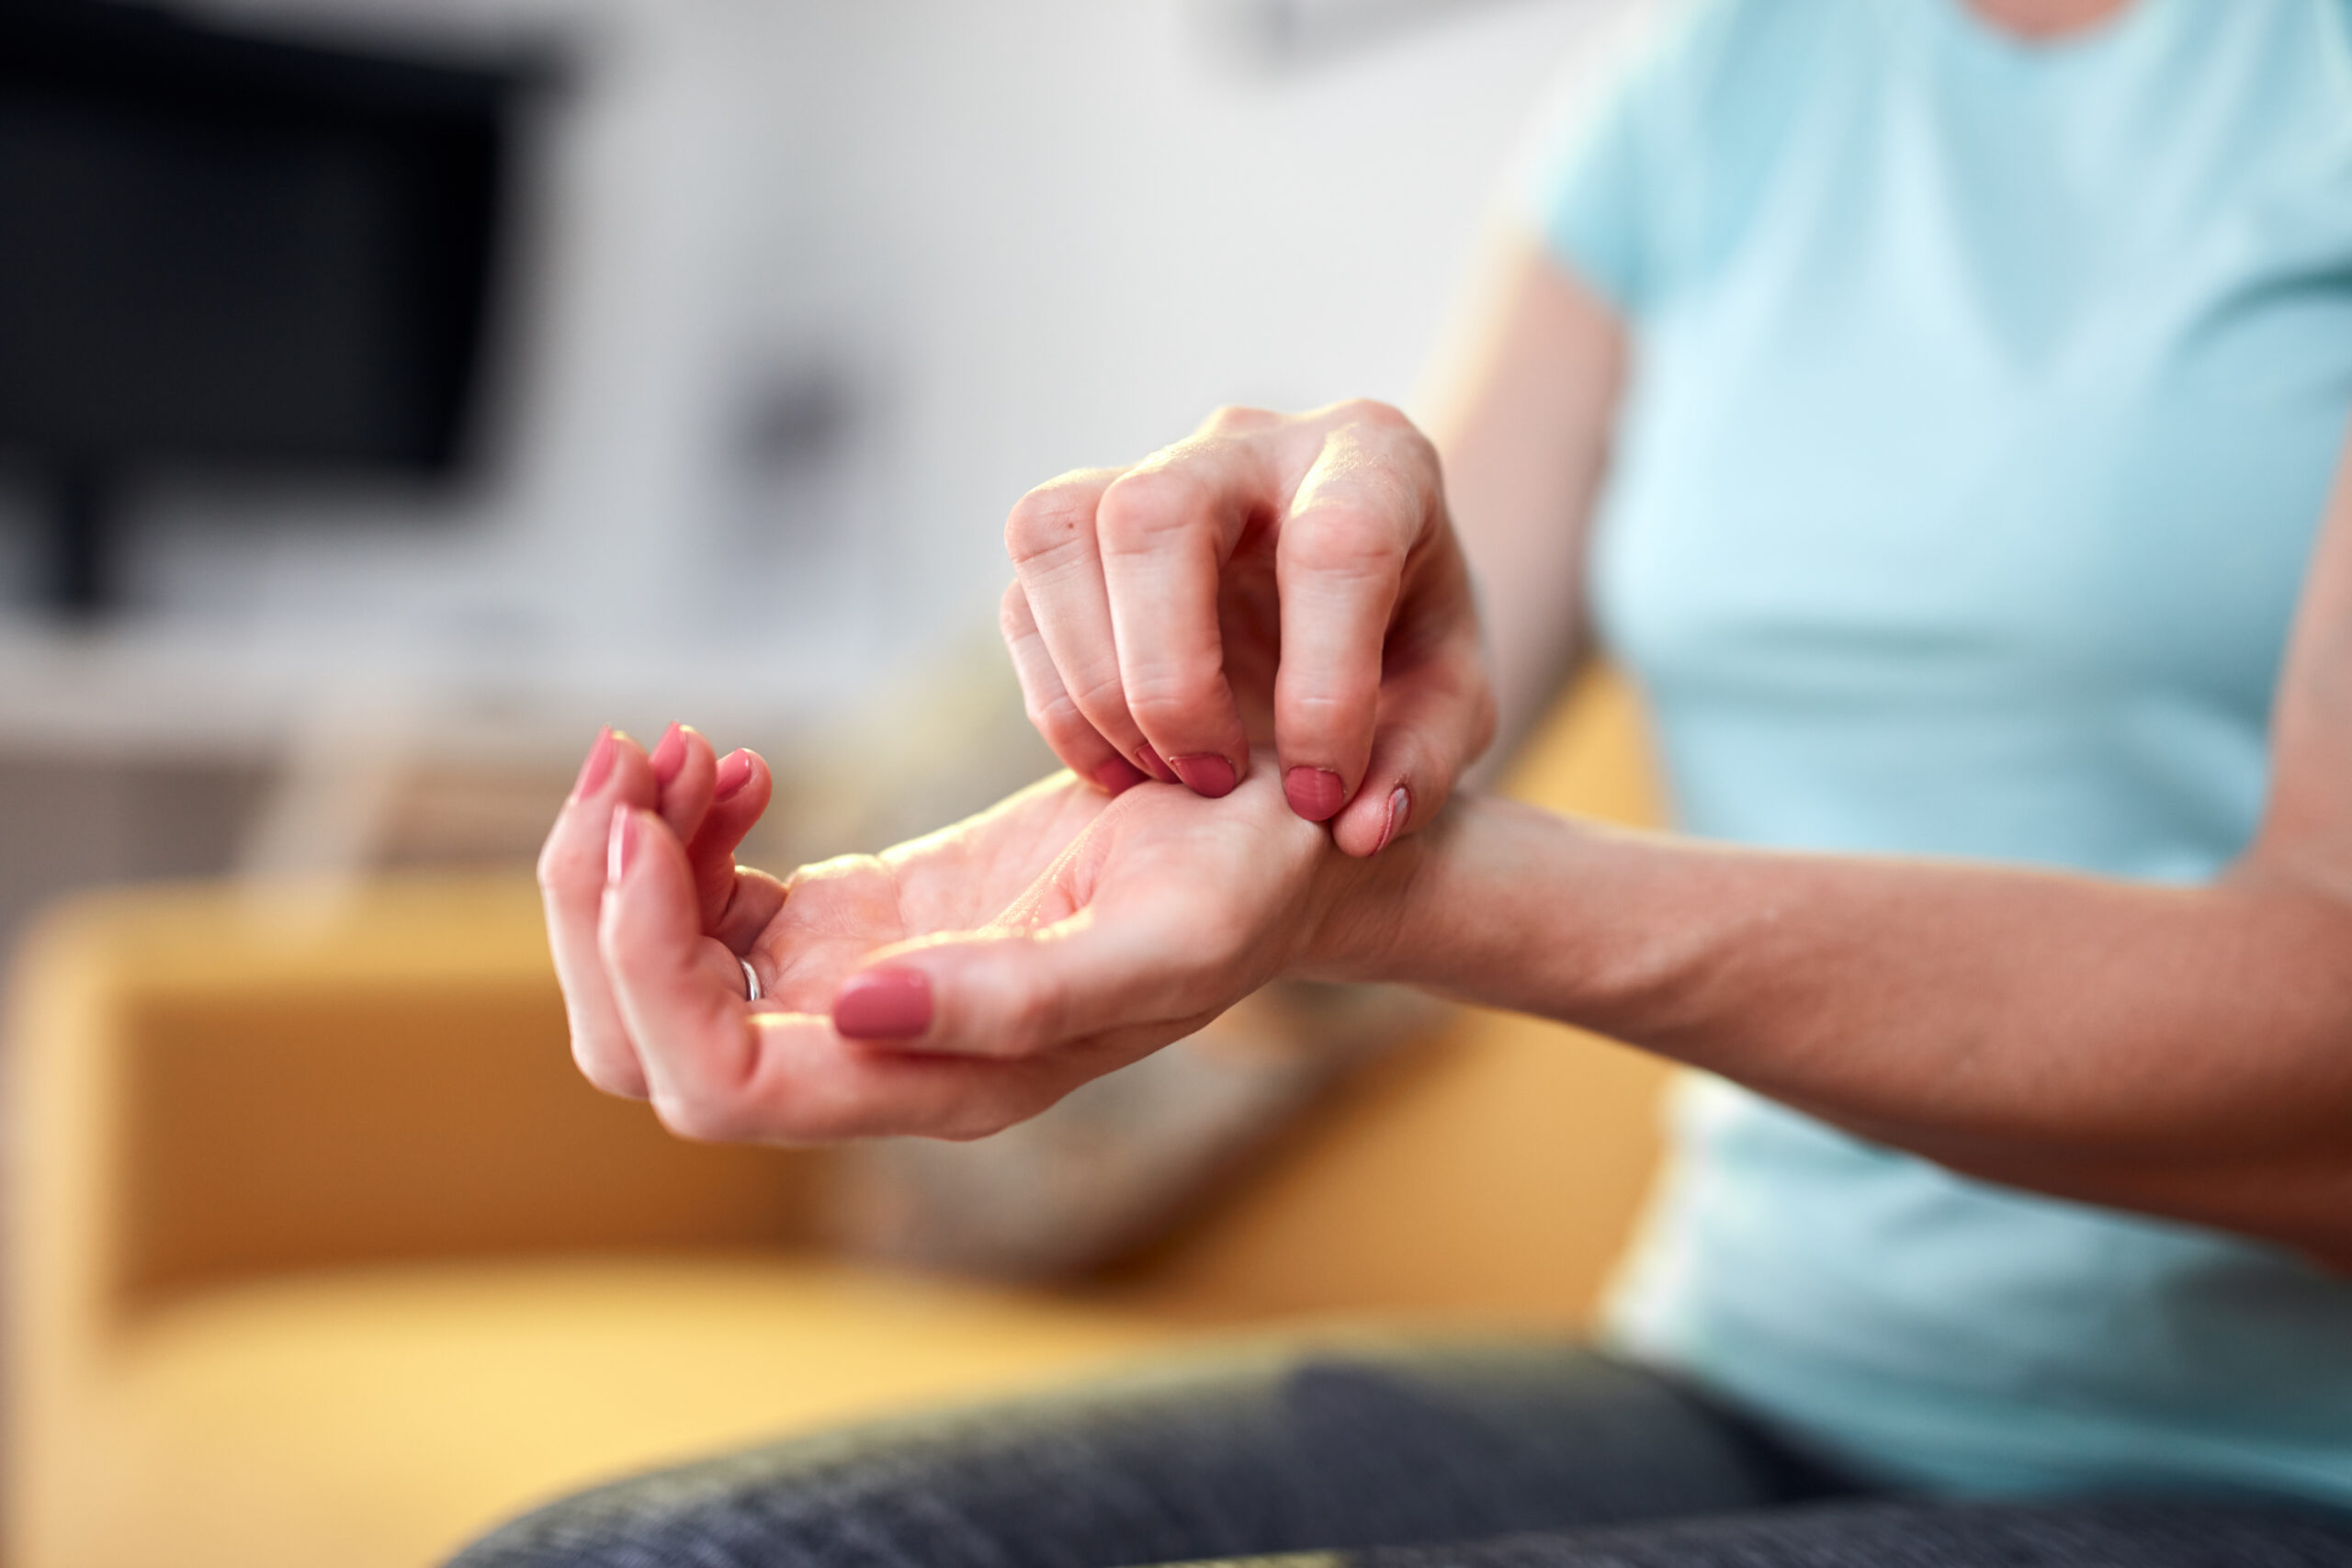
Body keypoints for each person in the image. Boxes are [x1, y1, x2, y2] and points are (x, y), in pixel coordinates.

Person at [462, 0, 2352, 1562]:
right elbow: (1376, 704)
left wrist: (1429, 893)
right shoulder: (1712, 83)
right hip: (1745, 1365)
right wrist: (1275, 637)